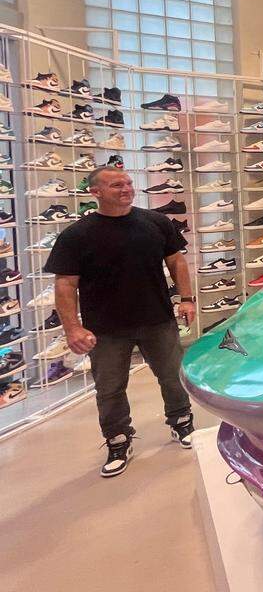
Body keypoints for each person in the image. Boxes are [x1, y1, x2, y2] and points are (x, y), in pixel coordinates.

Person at [44, 167, 195, 477]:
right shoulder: (76, 234)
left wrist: (187, 298)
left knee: (172, 376)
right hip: (106, 327)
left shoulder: (156, 222)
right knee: (110, 388)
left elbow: (176, 260)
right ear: (95, 192)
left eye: (128, 183)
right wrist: (72, 327)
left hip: (157, 318)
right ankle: (118, 440)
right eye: (116, 185)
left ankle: (181, 422)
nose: (126, 189)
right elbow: (65, 284)